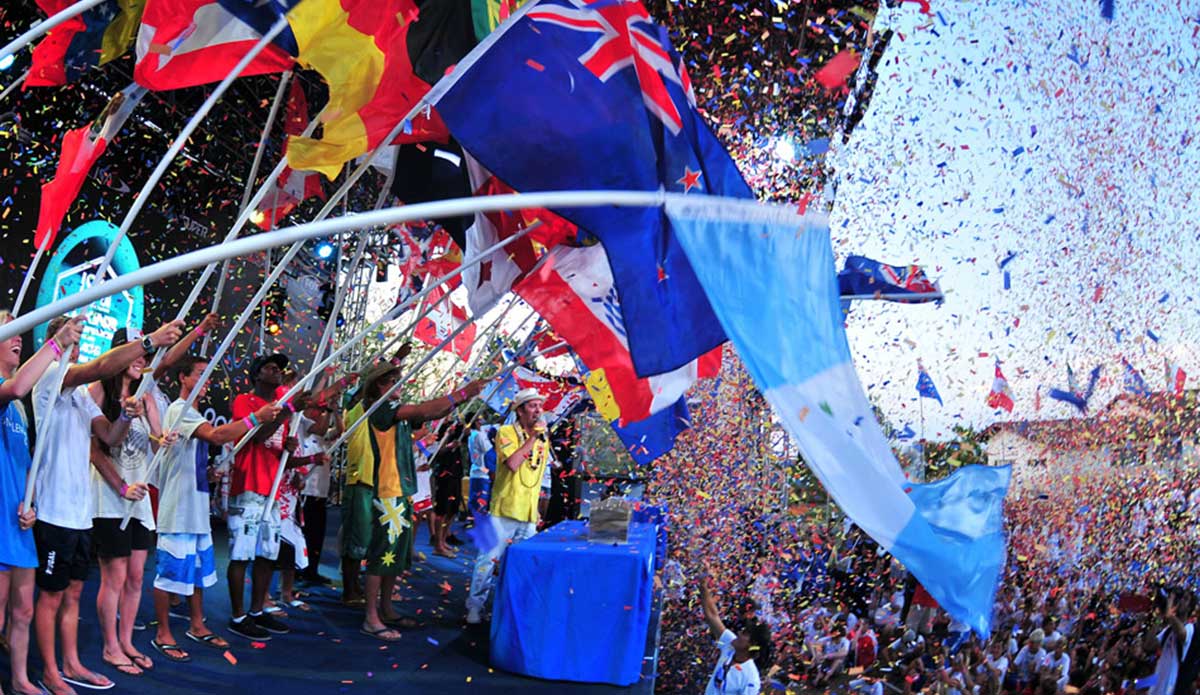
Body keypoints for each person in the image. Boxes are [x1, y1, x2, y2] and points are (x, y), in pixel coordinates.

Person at [32, 316, 182, 695]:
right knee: (50, 597)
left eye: (78, 339)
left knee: (73, 594)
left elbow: (109, 437)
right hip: (54, 509)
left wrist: (128, 416)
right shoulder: (50, 376)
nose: (76, 346)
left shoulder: (82, 397)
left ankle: (71, 663)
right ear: (54, 342)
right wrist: (149, 342)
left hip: (80, 513)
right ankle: (50, 671)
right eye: (70, 338)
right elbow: (99, 369)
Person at [151, 356, 280, 662]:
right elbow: (216, 435)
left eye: (208, 375)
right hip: (178, 509)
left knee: (198, 571)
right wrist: (255, 419)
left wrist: (206, 474)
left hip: (195, 508)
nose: (205, 380)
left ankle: (197, 624)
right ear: (183, 378)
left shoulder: (193, 413)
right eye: (199, 373)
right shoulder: (179, 409)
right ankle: (163, 633)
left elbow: (192, 453)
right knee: (169, 574)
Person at [342, 363, 482, 641]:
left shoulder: (394, 408)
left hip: (401, 491)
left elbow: (433, 413)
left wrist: (460, 399)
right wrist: (463, 392)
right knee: (380, 555)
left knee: (394, 555)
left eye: (399, 378)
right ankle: (371, 617)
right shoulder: (379, 407)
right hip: (384, 492)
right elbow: (423, 410)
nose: (399, 383)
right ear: (378, 385)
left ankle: (386, 609)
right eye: (393, 379)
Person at [0, 312, 83, 695]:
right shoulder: (11, 393)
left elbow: (23, 463)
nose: (19, 338)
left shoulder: (19, 409)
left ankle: (19, 680)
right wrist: (58, 343)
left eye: (21, 332)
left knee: (23, 610)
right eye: (11, 332)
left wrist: (30, 503)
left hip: (18, 521)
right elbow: (17, 387)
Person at [87, 332, 168, 677]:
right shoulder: (98, 390)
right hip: (110, 498)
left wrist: (164, 438)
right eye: (136, 352)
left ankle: (126, 641)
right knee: (115, 577)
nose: (141, 360)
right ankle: (110, 647)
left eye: (144, 355)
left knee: (136, 577)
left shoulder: (145, 394)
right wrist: (121, 488)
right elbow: (94, 450)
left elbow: (157, 442)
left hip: (139, 502)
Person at [225, 353, 311, 641]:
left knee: (267, 554)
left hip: (272, 489)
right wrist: (287, 411)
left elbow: (274, 447)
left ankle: (257, 610)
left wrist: (288, 448)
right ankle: (238, 616)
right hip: (248, 486)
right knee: (241, 554)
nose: (277, 372)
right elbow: (257, 436)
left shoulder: (282, 409)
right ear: (257, 374)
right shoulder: (245, 401)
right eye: (271, 368)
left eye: (279, 369)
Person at [465, 388, 553, 625]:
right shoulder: (505, 432)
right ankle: (475, 606)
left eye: (540, 406)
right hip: (504, 508)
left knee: (521, 563)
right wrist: (533, 438)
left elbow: (537, 474)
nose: (538, 410)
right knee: (488, 559)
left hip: (528, 511)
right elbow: (513, 463)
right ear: (520, 411)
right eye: (532, 406)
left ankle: (511, 609)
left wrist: (536, 507)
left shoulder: (543, 438)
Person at [699, 574, 769, 694]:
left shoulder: (750, 679)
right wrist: (703, 587)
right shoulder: (731, 645)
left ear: (751, 644)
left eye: (745, 634)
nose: (740, 633)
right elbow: (712, 616)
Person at [430, 421, 465, 558]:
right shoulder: (438, 428)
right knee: (442, 509)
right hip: (444, 475)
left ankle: (443, 540)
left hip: (456, 473)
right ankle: (437, 545)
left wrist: (465, 430)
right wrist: (448, 445)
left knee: (453, 509)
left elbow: (464, 436)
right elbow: (433, 453)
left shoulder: (456, 425)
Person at [1150, 589, 1195, 695]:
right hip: (1156, 688)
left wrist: (1169, 606)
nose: (1180, 601)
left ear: (1189, 608)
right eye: (1181, 598)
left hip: (1170, 689)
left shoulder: (1190, 628)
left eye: (1185, 599)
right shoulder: (1169, 630)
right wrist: (1158, 618)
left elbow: (1182, 633)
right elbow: (1149, 645)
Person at [466, 420, 494, 519]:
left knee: (475, 502)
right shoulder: (479, 435)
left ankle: (474, 522)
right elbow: (488, 451)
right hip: (483, 472)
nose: (481, 422)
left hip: (476, 472)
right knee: (481, 503)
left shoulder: (472, 434)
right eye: (478, 420)